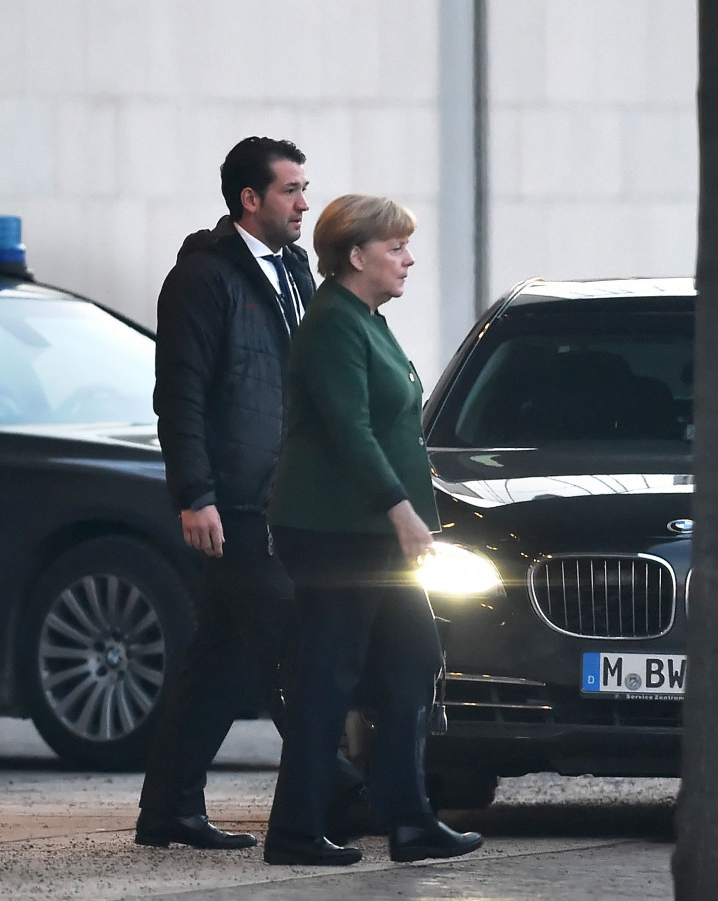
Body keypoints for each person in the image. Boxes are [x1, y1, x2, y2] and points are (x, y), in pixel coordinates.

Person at [261, 194, 483, 866]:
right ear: (356, 255)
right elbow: (348, 429)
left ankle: (407, 816)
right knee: (329, 676)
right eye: (395, 247)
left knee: (415, 658)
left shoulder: (368, 319)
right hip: (336, 529)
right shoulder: (333, 323)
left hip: (373, 534)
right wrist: (401, 508)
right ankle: (297, 828)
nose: (408, 258)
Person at [135, 136, 330, 852]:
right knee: (294, 640)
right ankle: (338, 788)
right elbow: (179, 395)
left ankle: (169, 809)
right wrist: (196, 493)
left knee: (222, 657)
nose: (305, 202)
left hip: (285, 497)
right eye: (291, 190)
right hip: (235, 501)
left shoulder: (296, 269)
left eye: (305, 188)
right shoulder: (202, 279)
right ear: (250, 199)